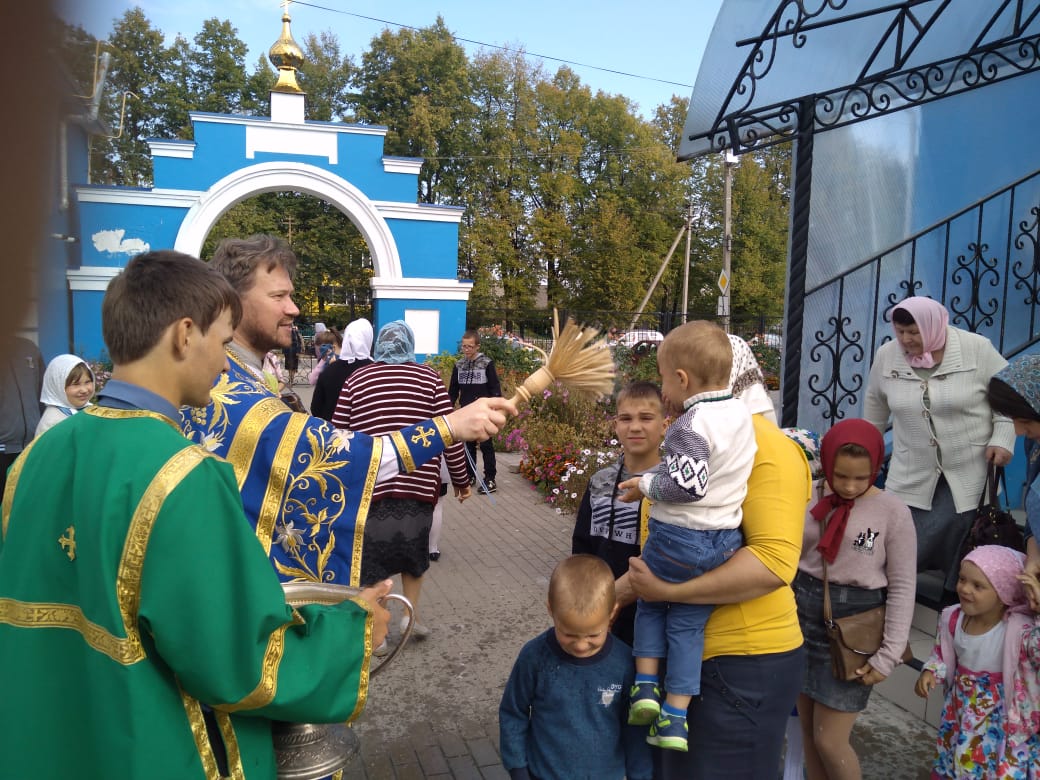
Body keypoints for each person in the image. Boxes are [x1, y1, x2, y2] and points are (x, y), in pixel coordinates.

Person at [0, 250, 394, 779]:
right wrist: (353, 634)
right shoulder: (184, 476)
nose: (225, 364)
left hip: (52, 743)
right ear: (185, 335)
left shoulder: (32, 460)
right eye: (224, 343)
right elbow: (236, 664)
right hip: (151, 747)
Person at [180, 234, 515, 589]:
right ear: (233, 303)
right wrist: (448, 427)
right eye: (279, 296)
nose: (294, 309)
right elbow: (333, 453)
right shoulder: (227, 388)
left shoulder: (239, 376)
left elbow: (334, 431)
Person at [622, 333, 812, 779]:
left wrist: (668, 592)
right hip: (698, 656)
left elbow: (771, 564)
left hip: (742, 663)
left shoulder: (770, 448)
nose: (663, 390)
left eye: (666, 378)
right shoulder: (710, 433)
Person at [616, 321, 756, 752]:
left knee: (650, 603)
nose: (663, 391)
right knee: (688, 624)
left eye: (663, 380)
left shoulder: (688, 424)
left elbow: (688, 485)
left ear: (681, 379)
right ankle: (675, 718)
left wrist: (645, 484)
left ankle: (645, 686)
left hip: (678, 537)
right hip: (723, 542)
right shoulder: (740, 415)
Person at [863, 296, 1014, 602]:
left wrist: (1002, 437)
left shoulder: (976, 349)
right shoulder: (887, 356)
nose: (906, 339)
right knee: (893, 548)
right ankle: (882, 607)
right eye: (900, 332)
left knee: (963, 551)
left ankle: (954, 611)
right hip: (912, 473)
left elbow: (1008, 395)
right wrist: (867, 452)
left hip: (969, 472)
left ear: (933, 326)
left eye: (914, 332)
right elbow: (875, 405)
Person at [332, 321, 471, 642]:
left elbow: (338, 436)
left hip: (371, 489)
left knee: (373, 564)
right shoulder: (429, 379)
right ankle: (410, 617)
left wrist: (338, 486)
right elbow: (450, 433)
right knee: (414, 557)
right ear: (410, 344)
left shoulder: (356, 380)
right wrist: (461, 479)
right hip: (418, 487)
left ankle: (376, 635)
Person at [793, 418, 916, 780]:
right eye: (840, 475)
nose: (849, 486)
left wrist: (889, 654)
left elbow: (903, 585)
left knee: (830, 740)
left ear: (876, 468)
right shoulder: (807, 493)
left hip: (852, 627)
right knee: (807, 731)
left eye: (861, 477)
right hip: (800, 613)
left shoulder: (893, 512)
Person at [498, 554, 653, 780]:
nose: (581, 646)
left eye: (593, 635)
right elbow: (513, 712)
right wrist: (517, 768)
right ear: (551, 609)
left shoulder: (624, 662)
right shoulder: (534, 657)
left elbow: (635, 726)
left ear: (612, 612)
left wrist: (640, 773)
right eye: (569, 634)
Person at [914, 545, 1040, 778]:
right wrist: (931, 671)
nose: (964, 588)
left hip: (999, 718)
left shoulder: (1017, 630)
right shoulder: (953, 618)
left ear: (1004, 593)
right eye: (962, 579)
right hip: (960, 709)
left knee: (988, 765)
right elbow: (941, 654)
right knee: (957, 754)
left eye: (978, 585)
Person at [571, 380, 667, 646]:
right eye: (626, 418)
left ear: (664, 425)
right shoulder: (600, 481)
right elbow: (582, 547)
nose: (634, 427)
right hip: (600, 614)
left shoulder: (671, 486)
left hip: (651, 618)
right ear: (615, 425)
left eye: (646, 418)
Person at [987, 353, 1040, 582]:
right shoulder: (1035, 446)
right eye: (1013, 420)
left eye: (1026, 422)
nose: (1018, 432)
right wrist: (1034, 556)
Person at [450, 329, 501, 493]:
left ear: (477, 346)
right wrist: (448, 407)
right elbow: (453, 390)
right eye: (464, 346)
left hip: (484, 412)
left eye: (470, 346)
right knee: (468, 445)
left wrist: (495, 408)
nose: (466, 350)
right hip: (466, 411)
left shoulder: (486, 363)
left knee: (486, 445)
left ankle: (490, 478)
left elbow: (495, 388)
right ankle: (469, 475)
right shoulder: (459, 365)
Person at [0, 336, 43, 497]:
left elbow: (42, 393)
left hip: (30, 447)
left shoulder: (29, 347)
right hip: (2, 448)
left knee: (25, 501)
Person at [310, 317, 373, 421]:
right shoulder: (374, 370)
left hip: (332, 427)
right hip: (363, 429)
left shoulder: (328, 370)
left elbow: (316, 408)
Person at [35, 353, 95, 436]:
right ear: (58, 386)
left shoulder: (91, 410)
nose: (84, 390)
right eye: (76, 384)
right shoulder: (52, 423)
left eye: (87, 382)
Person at [282, 322, 302, 386]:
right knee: (292, 367)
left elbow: (298, 342)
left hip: (291, 351)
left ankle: (291, 380)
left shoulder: (290, 331)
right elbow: (298, 341)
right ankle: (291, 380)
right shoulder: (294, 331)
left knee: (291, 366)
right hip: (291, 351)